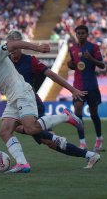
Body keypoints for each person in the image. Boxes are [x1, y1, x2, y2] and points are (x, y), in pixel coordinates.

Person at [0, 33, 85, 173]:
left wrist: (38, 48)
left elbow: (14, 44)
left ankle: (66, 116)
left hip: (22, 92)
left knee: (31, 128)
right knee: (5, 132)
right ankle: (22, 164)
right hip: (12, 98)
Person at [6, 30, 100, 168]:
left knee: (10, 129)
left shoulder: (30, 61)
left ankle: (64, 119)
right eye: (10, 46)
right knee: (48, 142)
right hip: (16, 104)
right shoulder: (4, 62)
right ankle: (89, 155)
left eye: (16, 46)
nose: (13, 49)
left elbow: (51, 74)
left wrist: (72, 89)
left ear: (22, 46)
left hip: (32, 104)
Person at [67, 25, 105, 152]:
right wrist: (70, 65)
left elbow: (102, 65)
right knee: (78, 111)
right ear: (76, 34)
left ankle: (99, 138)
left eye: (83, 33)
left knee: (94, 113)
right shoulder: (72, 49)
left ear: (87, 34)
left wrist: (91, 58)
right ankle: (82, 142)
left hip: (92, 85)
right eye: (78, 33)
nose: (81, 35)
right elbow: (75, 66)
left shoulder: (94, 47)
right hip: (78, 86)